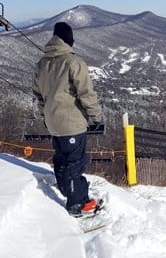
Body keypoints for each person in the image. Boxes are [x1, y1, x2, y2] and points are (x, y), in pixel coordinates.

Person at [33, 22, 102, 216]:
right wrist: (95, 116)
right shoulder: (73, 62)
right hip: (72, 123)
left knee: (62, 160)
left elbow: (38, 95)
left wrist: (45, 115)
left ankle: (67, 190)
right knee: (74, 163)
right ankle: (77, 203)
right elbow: (86, 92)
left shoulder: (42, 63)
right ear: (68, 39)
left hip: (53, 123)